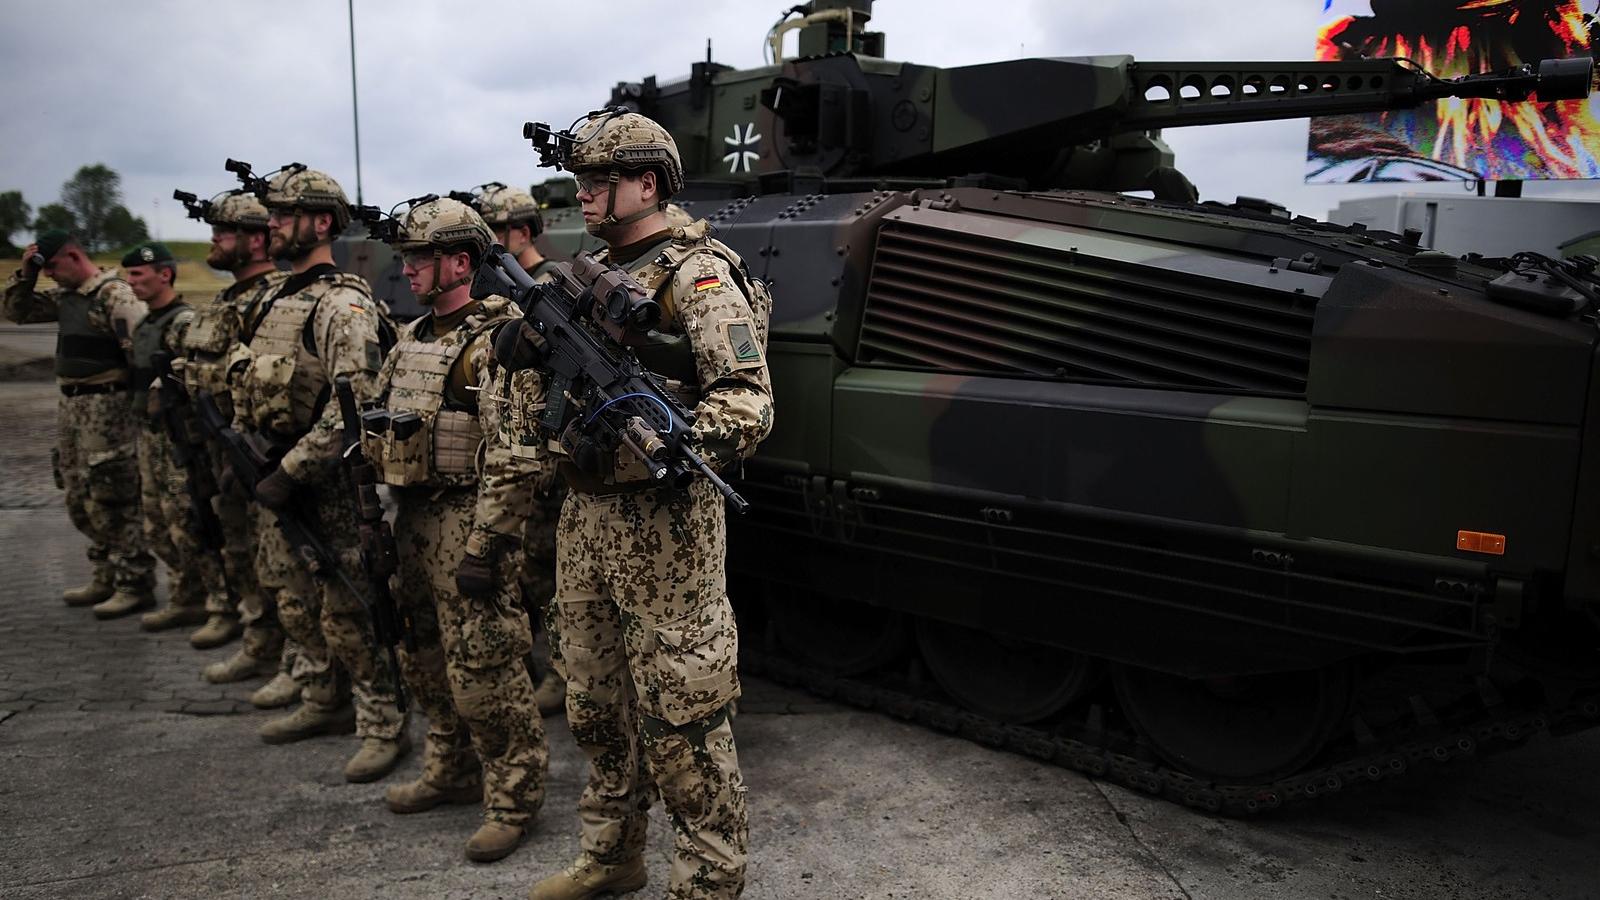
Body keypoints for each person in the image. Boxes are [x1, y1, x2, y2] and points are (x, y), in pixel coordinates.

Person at [517, 110, 774, 900]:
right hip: (586, 518)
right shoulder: (585, 272)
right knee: (594, 704)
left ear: (649, 183)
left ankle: (708, 879)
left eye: (600, 180)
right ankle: (611, 853)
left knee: (684, 718)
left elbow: (749, 399)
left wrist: (677, 442)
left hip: (666, 527)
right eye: (581, 180)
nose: (585, 194)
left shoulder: (696, 275)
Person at [359, 197, 550, 862]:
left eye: (420, 258)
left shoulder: (497, 341)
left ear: (461, 262)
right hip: (411, 516)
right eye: (405, 258)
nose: (406, 270)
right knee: (423, 657)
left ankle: (513, 796)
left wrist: (488, 544)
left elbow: (516, 454)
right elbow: (376, 421)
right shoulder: (412, 338)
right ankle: (452, 768)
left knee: (486, 667)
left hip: (468, 519)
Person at [230, 163, 407, 782]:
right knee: (290, 596)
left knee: (349, 608)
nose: (271, 225)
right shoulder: (278, 298)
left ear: (322, 222)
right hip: (271, 466)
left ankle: (382, 721)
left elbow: (352, 407)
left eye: (283, 215)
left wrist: (294, 469)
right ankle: (318, 696)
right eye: (271, 214)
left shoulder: (344, 306)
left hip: (325, 482)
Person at [176, 188, 300, 697]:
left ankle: (295, 657)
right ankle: (259, 638)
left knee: (275, 561)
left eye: (224, 232)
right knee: (237, 549)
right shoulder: (227, 298)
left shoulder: (271, 299)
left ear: (253, 240)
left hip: (254, 448)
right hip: (216, 444)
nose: (215, 240)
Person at [3, 230, 154, 617]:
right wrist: (27, 274)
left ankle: (134, 581)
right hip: (72, 408)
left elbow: (143, 355)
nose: (51, 275)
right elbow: (17, 312)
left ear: (74, 256)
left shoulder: (113, 295)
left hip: (109, 408)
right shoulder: (68, 298)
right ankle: (104, 573)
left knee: (113, 494)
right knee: (78, 495)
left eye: (53, 267)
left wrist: (142, 409)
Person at [469, 181, 568, 717]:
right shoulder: (498, 290)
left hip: (544, 458)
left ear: (524, 231)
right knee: (530, 572)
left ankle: (560, 670)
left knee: (549, 572)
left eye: (497, 229)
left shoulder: (549, 285)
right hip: (508, 449)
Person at [121, 242, 228, 633]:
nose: (131, 282)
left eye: (138, 274)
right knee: (158, 524)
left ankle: (221, 604)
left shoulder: (182, 322)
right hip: (151, 436)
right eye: (128, 274)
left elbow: (198, 379)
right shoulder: (147, 322)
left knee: (191, 520)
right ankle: (186, 597)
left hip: (178, 438)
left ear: (164, 274)